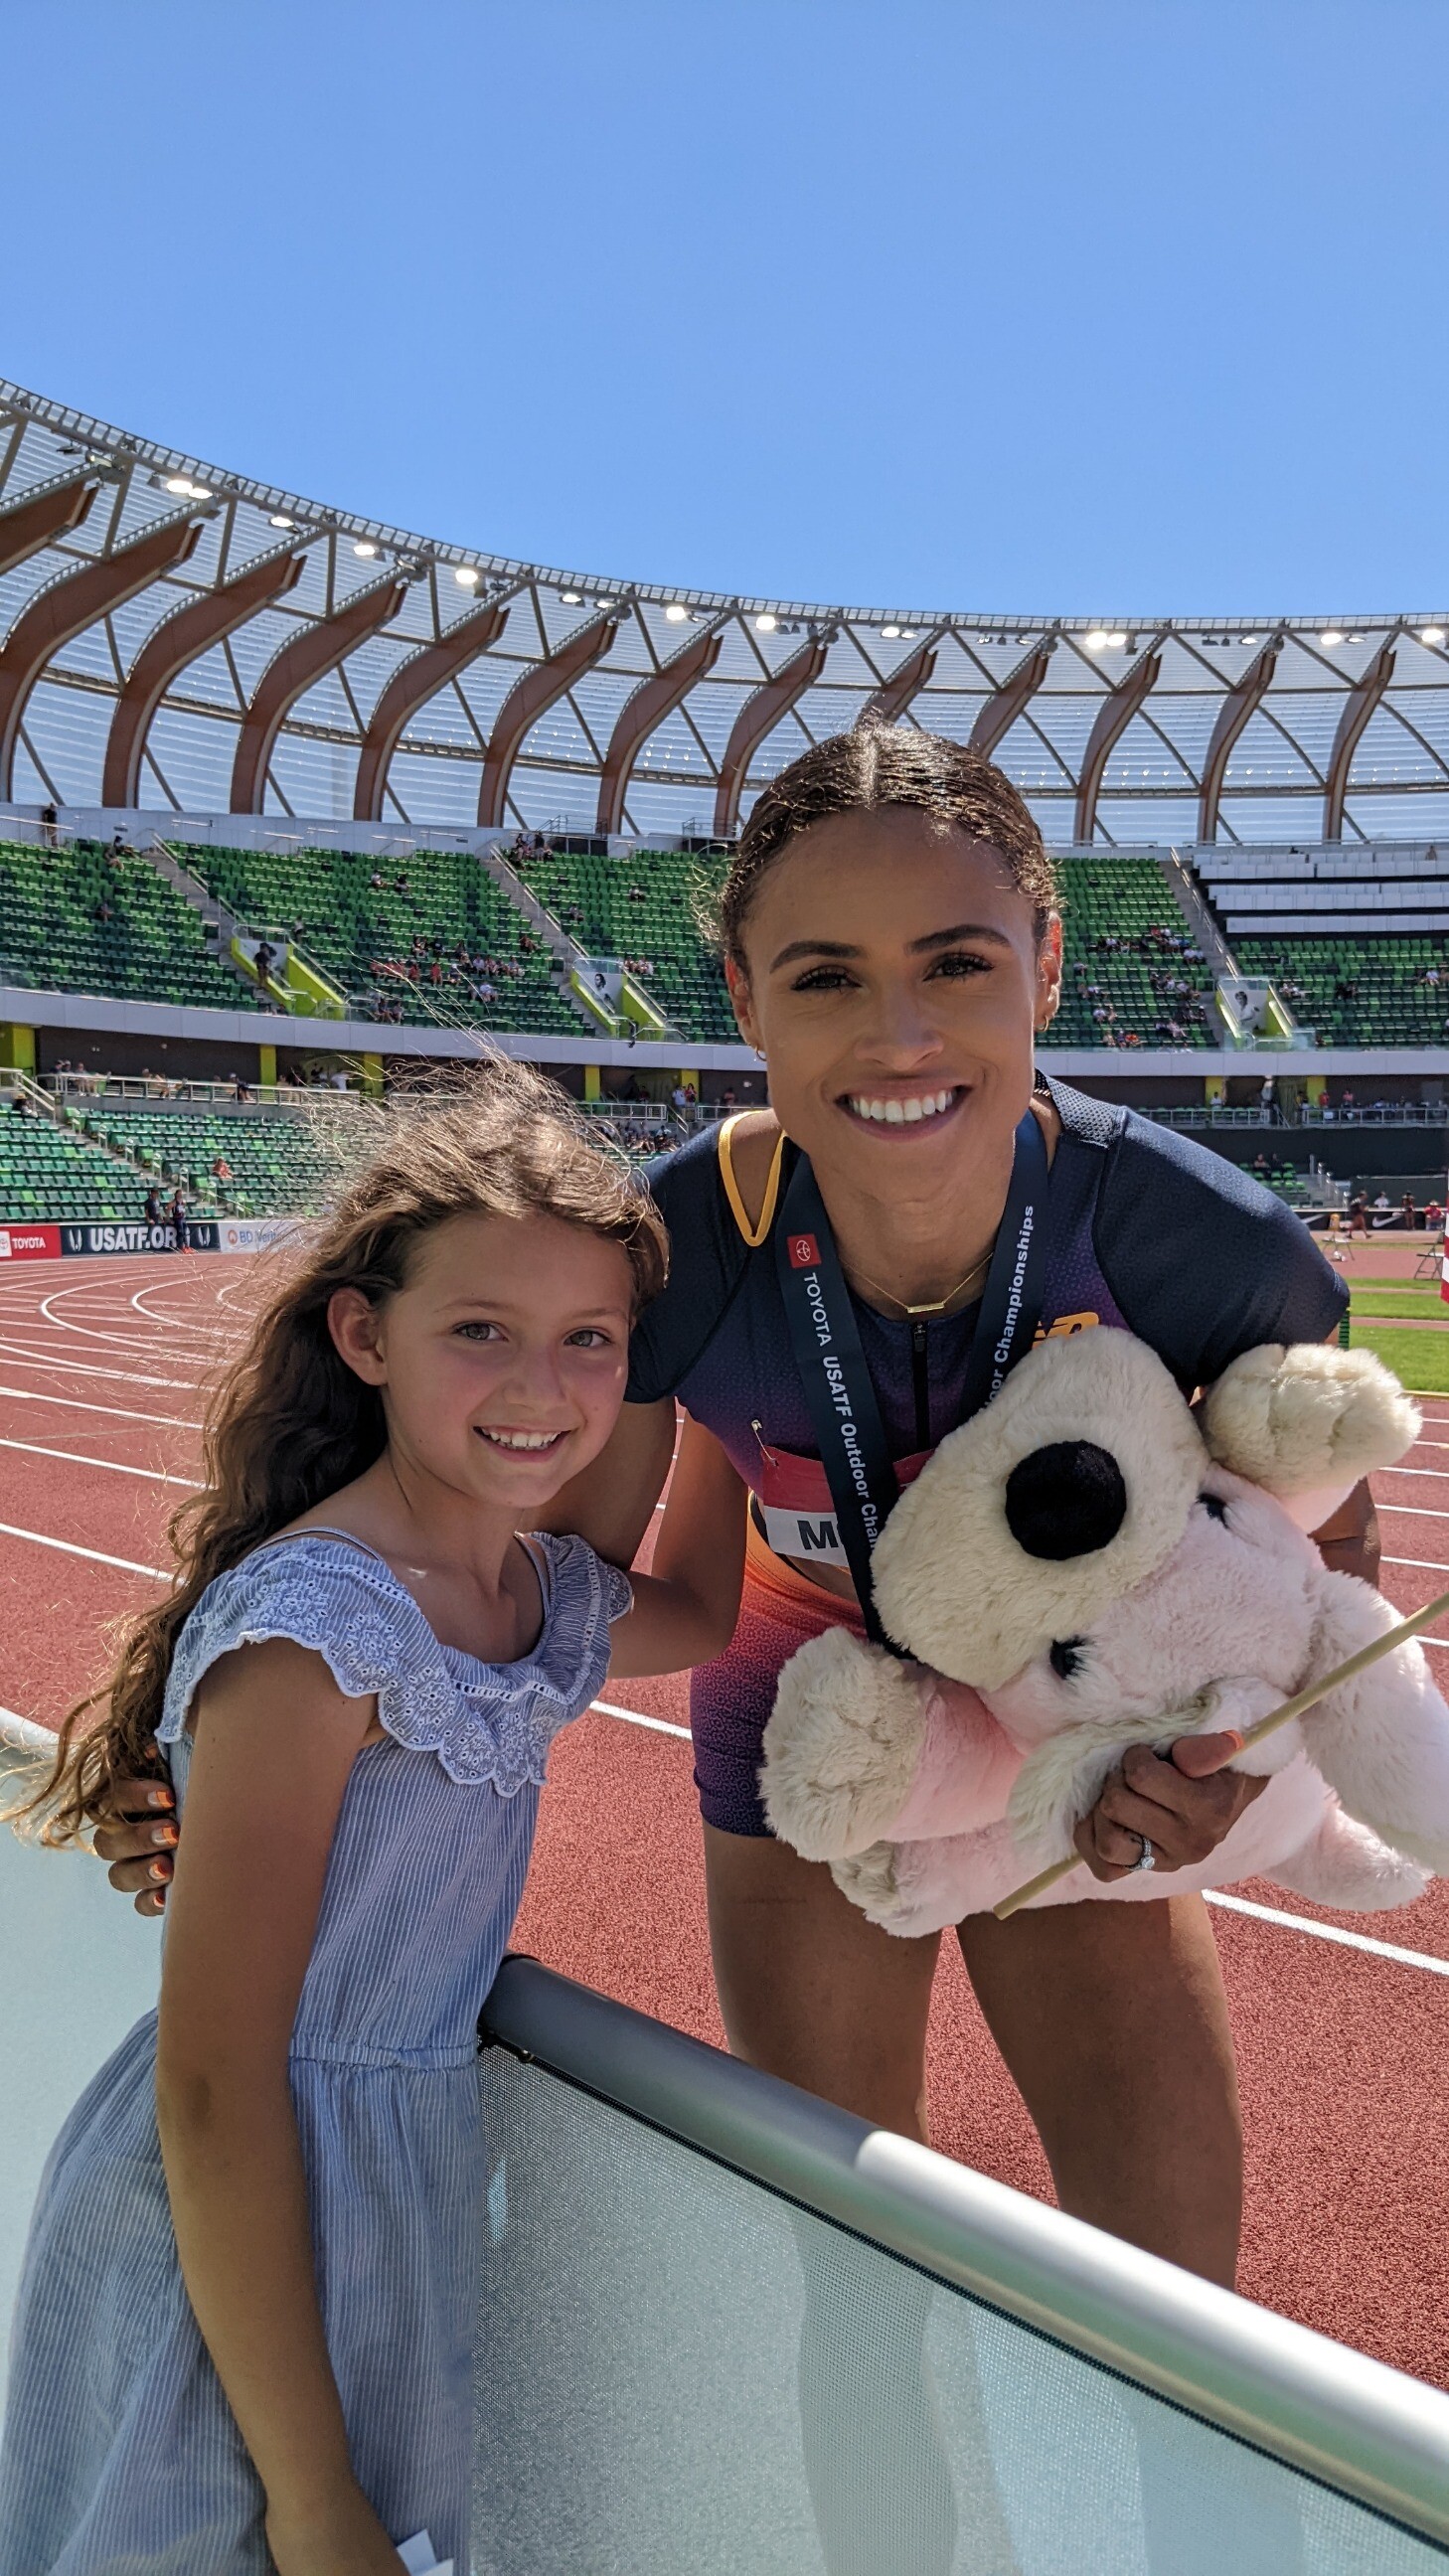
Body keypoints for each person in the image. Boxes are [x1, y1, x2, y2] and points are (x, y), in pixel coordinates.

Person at [93, 728, 1367, 2302]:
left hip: (1077, 1741)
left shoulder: (1195, 1241)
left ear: (1044, 966)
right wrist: (228, 1768)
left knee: (1176, 2301)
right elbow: (539, 1582)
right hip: (798, 1724)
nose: (897, 1035)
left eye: (957, 963)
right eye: (825, 977)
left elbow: (1325, 1545)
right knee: (851, 2292)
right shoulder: (680, 1244)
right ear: (744, 997)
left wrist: (1225, 1762)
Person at [1, 1071, 733, 2576]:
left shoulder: (533, 1594)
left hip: (396, 2192)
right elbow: (217, 2083)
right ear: (365, 1337)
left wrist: (735, 1377)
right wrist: (313, 2489)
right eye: (481, 1332)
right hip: (234, 2222)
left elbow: (702, 1615)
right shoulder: (320, 1632)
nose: (542, 1390)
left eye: (590, 1341)